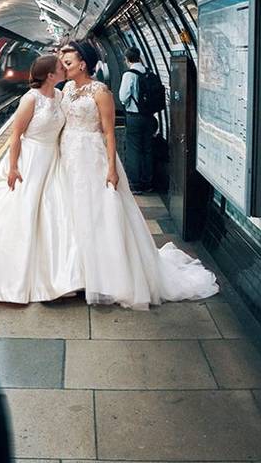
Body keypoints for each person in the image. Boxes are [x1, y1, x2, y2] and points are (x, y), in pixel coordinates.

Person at [57, 41, 218, 310]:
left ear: (83, 64)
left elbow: (108, 132)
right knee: (72, 211)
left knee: (99, 213)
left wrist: (111, 168)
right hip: (69, 155)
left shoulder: (101, 92)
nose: (64, 66)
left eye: (69, 62)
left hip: (92, 156)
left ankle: (107, 273)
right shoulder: (68, 89)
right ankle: (78, 273)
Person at [0, 55, 81, 303]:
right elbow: (15, 135)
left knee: (53, 213)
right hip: (30, 160)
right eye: (61, 67)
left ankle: (56, 274)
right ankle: (12, 277)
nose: (64, 69)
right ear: (50, 75)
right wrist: (13, 168)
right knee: (22, 212)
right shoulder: (31, 99)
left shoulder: (59, 96)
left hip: (53, 160)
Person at [118, 47, 156, 194]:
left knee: (133, 150)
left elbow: (123, 96)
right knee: (147, 149)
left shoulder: (129, 75)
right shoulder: (148, 71)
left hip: (134, 117)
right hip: (149, 117)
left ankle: (135, 184)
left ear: (127, 60)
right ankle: (148, 183)